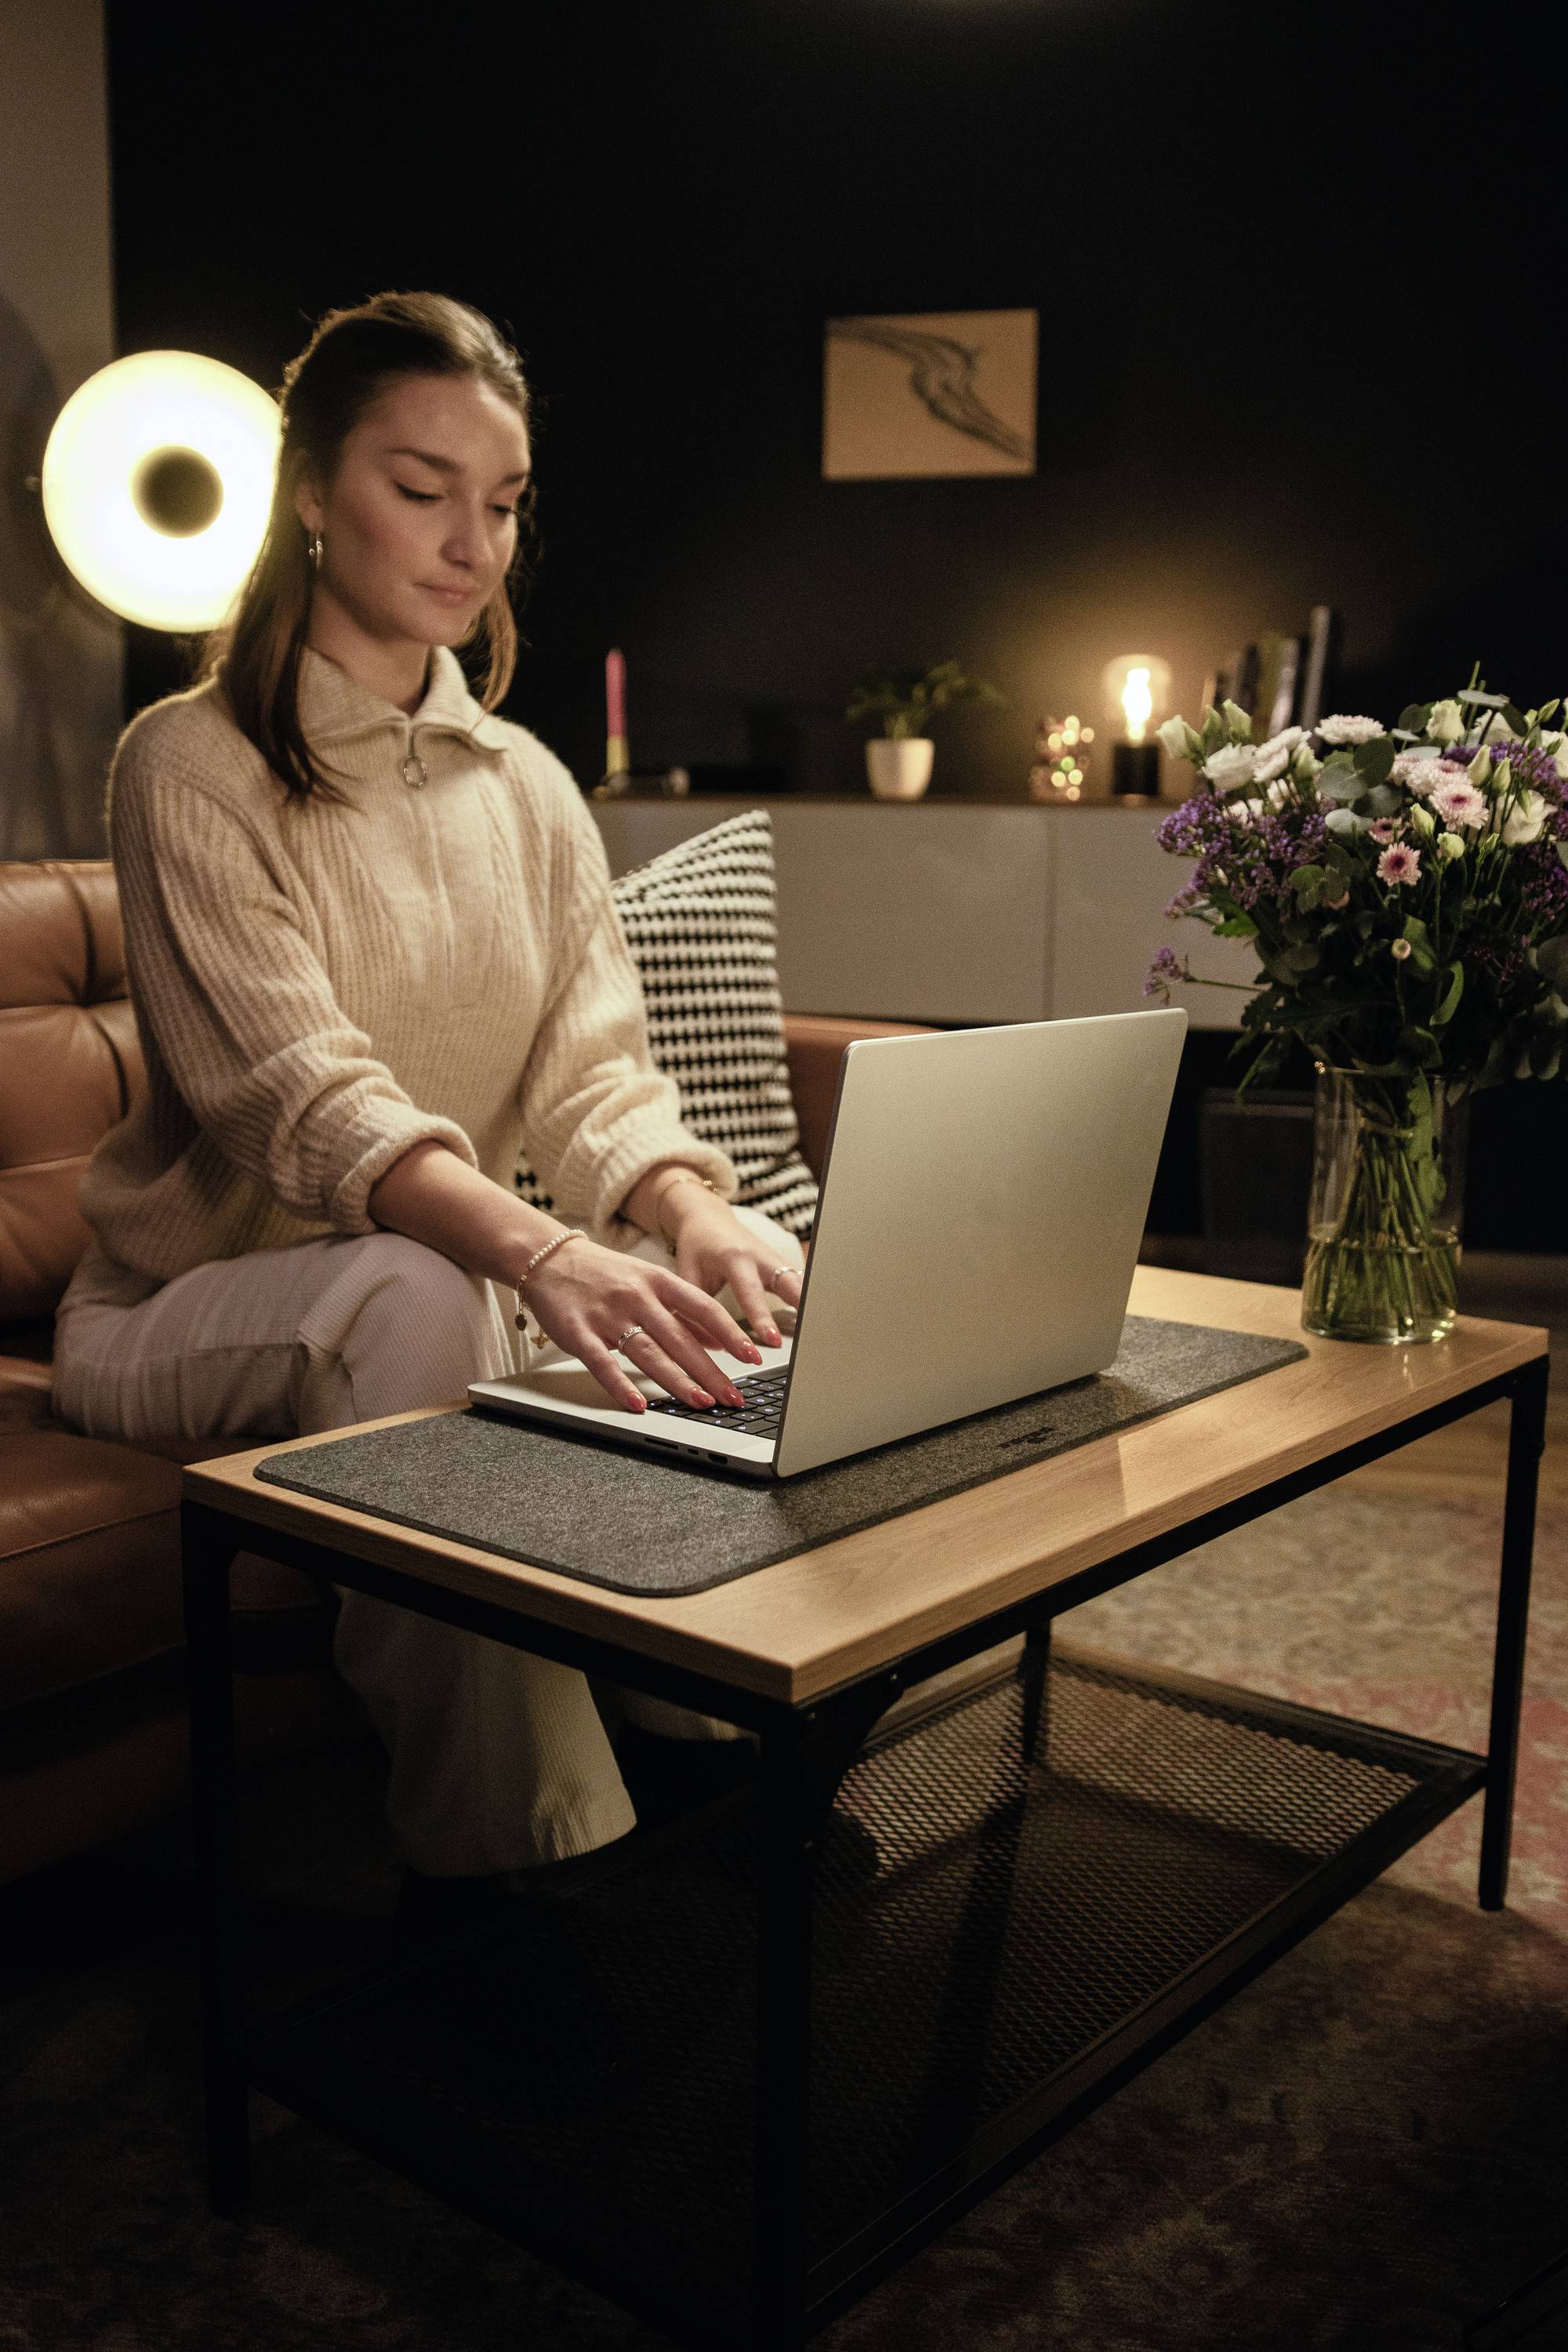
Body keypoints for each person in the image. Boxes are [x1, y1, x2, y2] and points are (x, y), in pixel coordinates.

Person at [52, 290, 806, 1907]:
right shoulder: (188, 765)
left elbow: (594, 1077)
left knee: (714, 1290)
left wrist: (696, 1217)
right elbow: (303, 1103)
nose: (474, 544)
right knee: (424, 1282)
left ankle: (721, 1744)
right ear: (312, 495)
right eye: (421, 488)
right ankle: (513, 1872)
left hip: (430, 1282)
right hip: (173, 1309)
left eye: (505, 502)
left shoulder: (529, 785)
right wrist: (542, 1253)